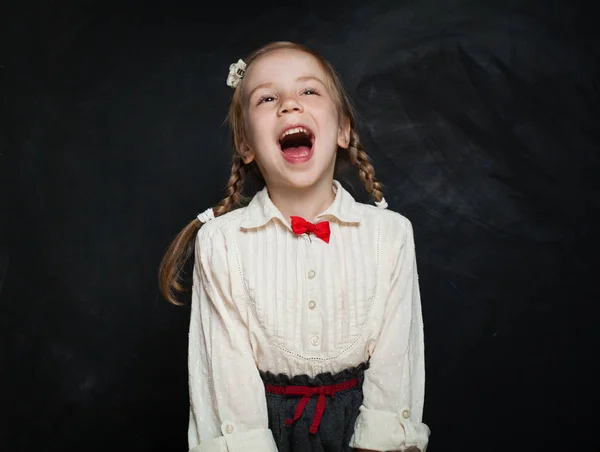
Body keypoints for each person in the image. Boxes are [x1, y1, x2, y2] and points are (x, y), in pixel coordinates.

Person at [159, 41, 430, 452]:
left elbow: (397, 367)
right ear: (246, 144)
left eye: (308, 91)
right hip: (262, 434)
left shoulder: (389, 234)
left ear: (342, 130)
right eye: (267, 98)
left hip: (363, 433)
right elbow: (227, 381)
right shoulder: (221, 242)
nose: (289, 104)